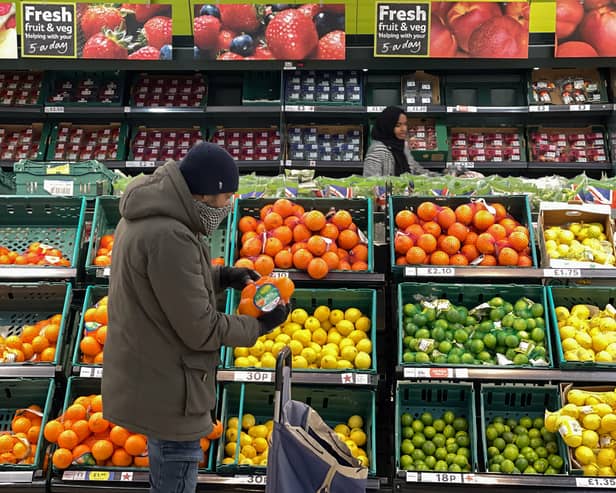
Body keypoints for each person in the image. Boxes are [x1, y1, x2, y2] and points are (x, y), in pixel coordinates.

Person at [102, 142, 290, 493]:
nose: (228, 206)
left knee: (164, 471)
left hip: (152, 373)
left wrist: (222, 277)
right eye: (226, 198)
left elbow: (165, 287)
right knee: (174, 472)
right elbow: (200, 329)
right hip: (170, 386)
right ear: (205, 195)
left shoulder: (148, 217)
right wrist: (260, 326)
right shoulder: (171, 235)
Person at [363, 105, 437, 177]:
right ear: (387, 126)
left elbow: (417, 170)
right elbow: (371, 183)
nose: (404, 129)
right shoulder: (377, 151)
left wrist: (440, 177)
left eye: (405, 124)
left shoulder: (402, 146)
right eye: (398, 125)